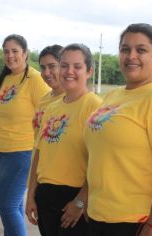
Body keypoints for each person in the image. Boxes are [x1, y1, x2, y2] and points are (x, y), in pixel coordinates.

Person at [84, 23, 152, 236]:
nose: (131, 55)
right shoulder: (114, 96)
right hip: (101, 215)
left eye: (141, 50)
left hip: (137, 222)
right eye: (125, 49)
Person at [26, 43, 102, 236]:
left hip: (73, 196)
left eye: (77, 66)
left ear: (89, 71)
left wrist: (80, 200)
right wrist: (31, 194)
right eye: (64, 65)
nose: (69, 71)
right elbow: (40, 153)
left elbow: (100, 161)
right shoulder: (52, 107)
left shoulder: (95, 106)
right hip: (45, 194)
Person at [0, 34, 50, 236]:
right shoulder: (5, 78)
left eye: (15, 51)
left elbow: (49, 110)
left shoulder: (34, 79)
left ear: (25, 53)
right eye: (6, 51)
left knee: (6, 206)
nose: (10, 56)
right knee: (13, 207)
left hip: (21, 152)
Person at [32, 44, 65, 140]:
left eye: (52, 66)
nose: (46, 73)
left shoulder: (75, 101)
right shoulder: (43, 100)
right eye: (43, 68)